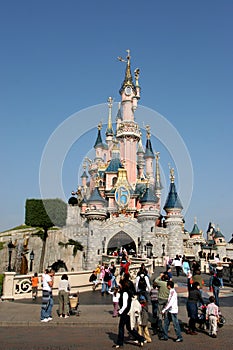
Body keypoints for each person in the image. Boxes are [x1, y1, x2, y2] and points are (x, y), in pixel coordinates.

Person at [112, 278, 145, 348]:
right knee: (129, 328)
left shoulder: (124, 293)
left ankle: (120, 343)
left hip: (125, 312)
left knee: (121, 327)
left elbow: (125, 305)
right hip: (127, 312)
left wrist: (120, 312)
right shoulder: (124, 292)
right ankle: (141, 338)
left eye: (120, 284)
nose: (119, 285)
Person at [154, 272, 170, 339]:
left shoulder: (161, 283)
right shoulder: (169, 284)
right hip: (167, 299)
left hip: (160, 299)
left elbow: (155, 281)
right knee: (166, 314)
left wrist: (160, 276)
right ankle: (167, 327)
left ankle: (160, 326)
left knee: (160, 313)